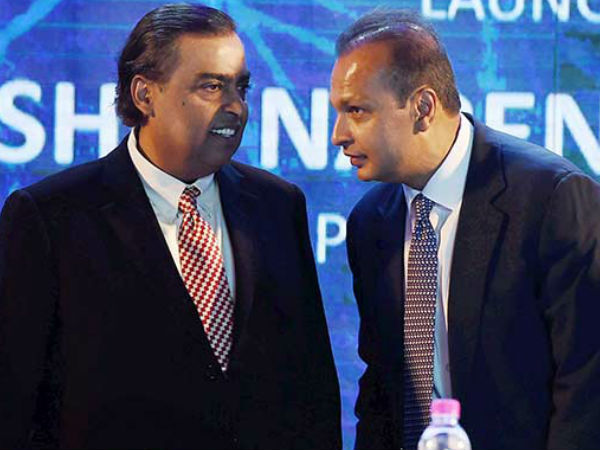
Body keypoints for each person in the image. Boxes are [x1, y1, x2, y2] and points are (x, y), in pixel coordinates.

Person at [0, 4, 341, 449]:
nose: (235, 107)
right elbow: (12, 402)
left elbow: (312, 389)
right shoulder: (51, 216)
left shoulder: (278, 206)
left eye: (240, 87)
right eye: (211, 86)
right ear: (145, 95)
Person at [330, 9, 600, 450]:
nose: (338, 134)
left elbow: (587, 387)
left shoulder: (552, 199)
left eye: (357, 111)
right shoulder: (370, 222)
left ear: (422, 108)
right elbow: (381, 391)